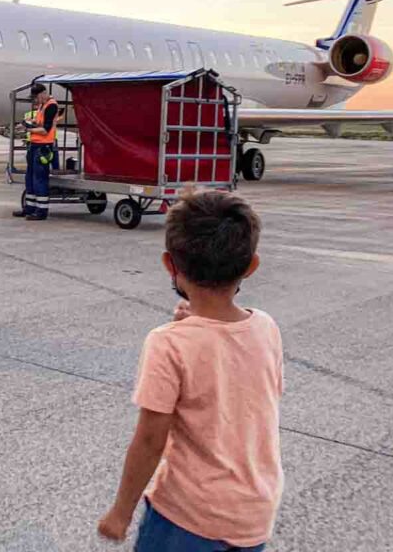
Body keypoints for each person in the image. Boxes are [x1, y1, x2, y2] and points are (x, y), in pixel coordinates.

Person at [98, 191, 283, 551]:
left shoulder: (168, 344)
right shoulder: (267, 327)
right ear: (251, 265)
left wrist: (120, 512)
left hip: (188, 518)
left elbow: (150, 440)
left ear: (170, 264)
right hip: (254, 514)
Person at [13, 83, 57, 221]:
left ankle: (41, 211)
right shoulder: (42, 105)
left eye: (36, 97)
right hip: (34, 146)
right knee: (30, 178)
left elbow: (45, 130)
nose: (35, 100)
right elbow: (39, 123)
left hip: (43, 147)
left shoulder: (51, 105)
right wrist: (26, 123)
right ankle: (29, 208)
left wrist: (28, 129)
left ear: (43, 93)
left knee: (39, 179)